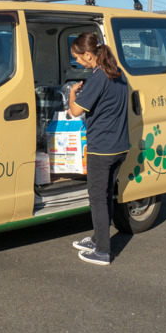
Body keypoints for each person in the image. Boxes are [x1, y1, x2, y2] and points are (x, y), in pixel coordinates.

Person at [67, 33, 129, 266]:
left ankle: (102, 251)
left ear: (88, 54)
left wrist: (73, 93)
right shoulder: (118, 73)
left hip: (101, 148)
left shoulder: (98, 77)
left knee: (97, 199)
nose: (77, 61)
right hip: (119, 146)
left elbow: (75, 111)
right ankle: (97, 239)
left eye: (77, 57)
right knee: (106, 196)